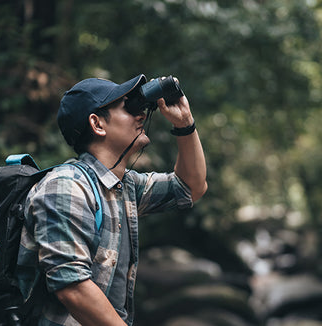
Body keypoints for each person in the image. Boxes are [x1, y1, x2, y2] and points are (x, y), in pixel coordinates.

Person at [16, 74, 208, 325]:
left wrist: (185, 125)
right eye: (128, 107)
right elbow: (72, 286)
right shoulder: (67, 185)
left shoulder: (124, 186)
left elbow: (191, 188)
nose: (141, 115)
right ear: (97, 124)